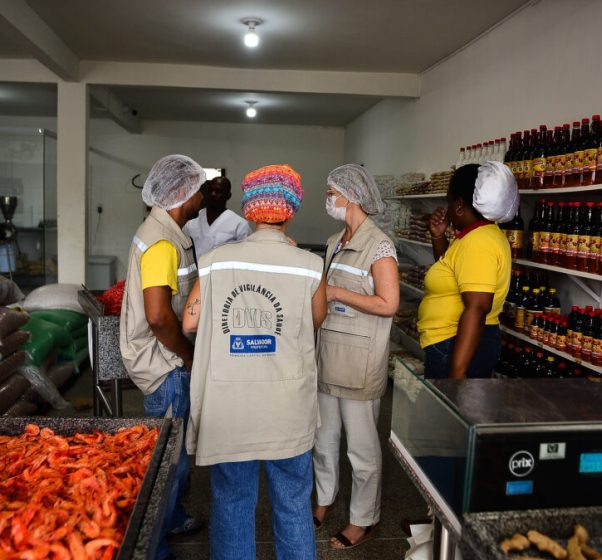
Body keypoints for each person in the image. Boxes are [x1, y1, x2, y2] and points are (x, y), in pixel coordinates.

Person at [182, 164, 327, 560]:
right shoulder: (310, 265)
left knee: (232, 503)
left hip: (231, 408)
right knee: (294, 503)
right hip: (288, 407)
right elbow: (316, 320)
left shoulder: (216, 261)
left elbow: (190, 319)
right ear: (291, 211)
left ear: (248, 210)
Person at [119, 154, 206, 560]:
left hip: (163, 359)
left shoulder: (167, 232)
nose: (203, 195)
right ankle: (153, 547)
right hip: (165, 365)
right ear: (181, 194)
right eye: (198, 188)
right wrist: (188, 357)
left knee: (172, 457)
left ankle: (170, 519)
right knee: (167, 463)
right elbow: (157, 316)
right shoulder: (161, 242)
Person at [312, 164, 399, 550]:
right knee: (323, 437)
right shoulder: (335, 241)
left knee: (361, 449)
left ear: (349, 195)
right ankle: (324, 498)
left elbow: (388, 303)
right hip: (328, 353)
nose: (328, 198)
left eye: (331, 191)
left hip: (360, 361)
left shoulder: (379, 245)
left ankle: (363, 518)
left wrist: (337, 294)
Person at [417, 161, 518, 379]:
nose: (448, 209)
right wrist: (438, 236)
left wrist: (457, 373)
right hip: (452, 342)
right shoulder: (475, 236)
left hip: (457, 345)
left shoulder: (478, 242)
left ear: (460, 205)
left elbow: (478, 308)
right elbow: (448, 271)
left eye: (449, 202)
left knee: (448, 410)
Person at [183, 176, 251, 259]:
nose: (213, 194)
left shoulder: (239, 225)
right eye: (210, 190)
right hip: (195, 271)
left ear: (228, 196)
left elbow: (244, 256)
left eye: (218, 191)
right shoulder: (191, 223)